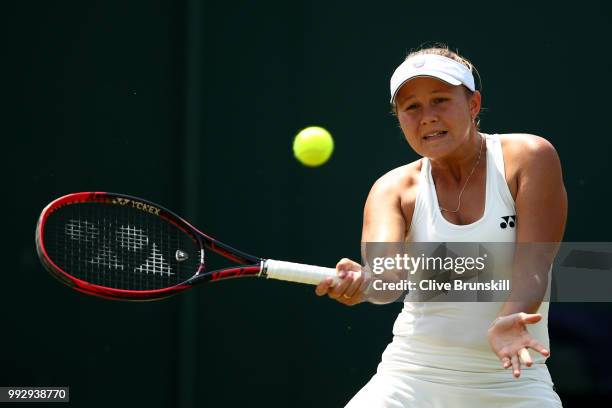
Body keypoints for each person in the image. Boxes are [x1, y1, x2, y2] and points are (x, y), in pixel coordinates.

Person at [315, 46, 567, 407]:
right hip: (409, 378)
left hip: (513, 380)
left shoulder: (529, 157)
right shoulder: (392, 189)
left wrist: (511, 317)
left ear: (474, 104)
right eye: (411, 107)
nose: (427, 117)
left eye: (440, 100)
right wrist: (364, 284)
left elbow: (535, 265)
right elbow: (388, 279)